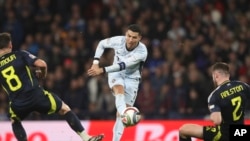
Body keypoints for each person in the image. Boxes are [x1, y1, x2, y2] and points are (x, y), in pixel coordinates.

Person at [0, 32, 104, 141]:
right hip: (36, 96)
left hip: (18, 102)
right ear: (10, 45)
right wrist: (43, 74)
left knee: (15, 120)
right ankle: (86, 138)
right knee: (64, 109)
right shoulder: (19, 54)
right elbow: (42, 64)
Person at [87, 24, 148, 141]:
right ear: (126, 34)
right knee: (119, 90)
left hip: (132, 79)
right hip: (116, 74)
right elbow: (101, 44)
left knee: (121, 115)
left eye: (134, 37)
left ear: (140, 38)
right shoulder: (119, 40)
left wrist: (102, 69)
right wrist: (95, 62)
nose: (130, 40)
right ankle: (125, 113)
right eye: (128, 36)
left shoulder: (142, 51)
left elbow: (123, 65)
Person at [179, 62, 250, 141]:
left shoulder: (215, 95)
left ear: (215, 75)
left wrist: (212, 116)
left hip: (224, 134)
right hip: (240, 133)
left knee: (184, 130)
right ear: (228, 75)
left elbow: (217, 121)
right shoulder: (243, 86)